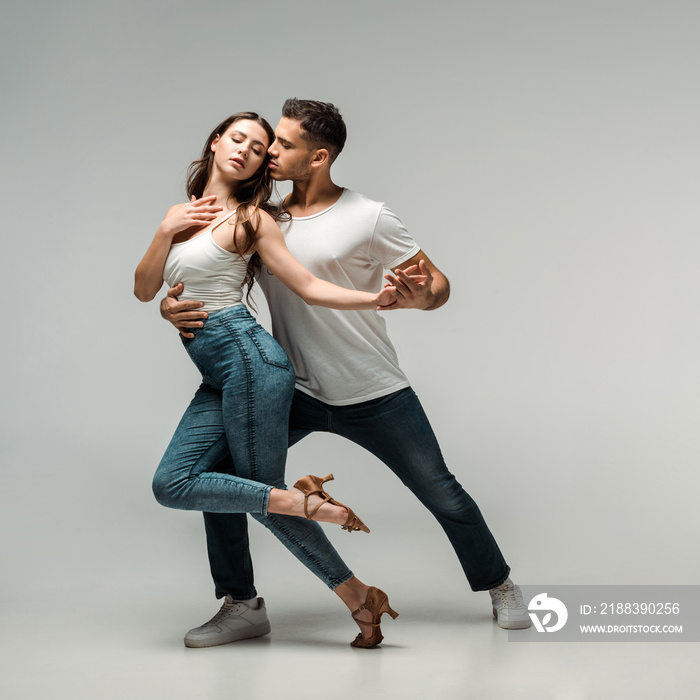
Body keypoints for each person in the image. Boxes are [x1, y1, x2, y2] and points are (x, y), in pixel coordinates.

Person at [161, 99, 531, 646]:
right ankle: (241, 602)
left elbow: (438, 287)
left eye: (283, 144)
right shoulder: (266, 216)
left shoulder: (369, 215)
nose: (270, 152)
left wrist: (416, 298)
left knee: (440, 490)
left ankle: (499, 583)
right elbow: (211, 275)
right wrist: (174, 307)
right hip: (296, 389)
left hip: (373, 390)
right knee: (225, 477)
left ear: (319, 156)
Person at [135, 111, 399, 649]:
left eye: (258, 148)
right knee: (224, 486)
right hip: (219, 373)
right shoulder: (180, 216)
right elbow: (143, 289)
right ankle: (344, 595)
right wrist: (166, 239)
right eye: (237, 139)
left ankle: (289, 538)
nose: (246, 151)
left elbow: (306, 284)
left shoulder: (253, 219)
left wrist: (374, 297)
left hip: (250, 362)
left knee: (214, 488)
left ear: (262, 165)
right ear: (214, 142)